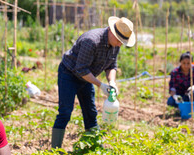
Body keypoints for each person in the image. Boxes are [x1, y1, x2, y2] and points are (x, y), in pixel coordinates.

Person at [51, 16, 136, 148]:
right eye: (119, 40)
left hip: (86, 77)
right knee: (66, 111)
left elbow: (111, 66)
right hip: (69, 74)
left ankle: (95, 146)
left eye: (122, 42)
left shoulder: (115, 44)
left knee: (90, 111)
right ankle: (55, 150)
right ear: (111, 31)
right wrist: (100, 85)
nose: (120, 44)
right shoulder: (91, 41)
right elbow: (81, 69)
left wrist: (112, 82)